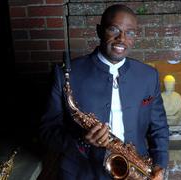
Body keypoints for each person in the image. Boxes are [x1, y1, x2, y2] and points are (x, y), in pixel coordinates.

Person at [39, 4, 169, 180]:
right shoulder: (65, 74)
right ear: (99, 31)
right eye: (114, 29)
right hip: (81, 174)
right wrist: (82, 140)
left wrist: (160, 165)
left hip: (135, 172)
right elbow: (47, 132)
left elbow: (159, 128)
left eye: (129, 32)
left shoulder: (148, 75)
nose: (121, 39)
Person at [161, 75, 181, 140]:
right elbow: (159, 111)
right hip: (165, 119)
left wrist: (176, 116)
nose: (169, 86)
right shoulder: (161, 96)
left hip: (176, 118)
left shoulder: (177, 96)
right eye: (167, 84)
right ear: (164, 84)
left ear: (174, 85)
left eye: (170, 84)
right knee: (156, 121)